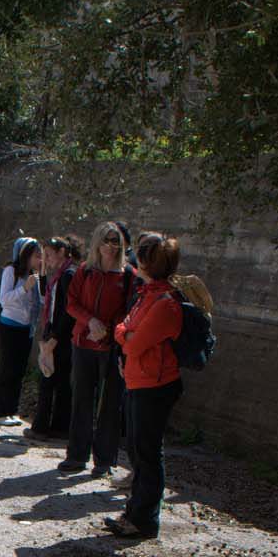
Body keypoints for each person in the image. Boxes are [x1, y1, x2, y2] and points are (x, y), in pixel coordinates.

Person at [107, 233, 194, 538]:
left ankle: (143, 520)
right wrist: (126, 334)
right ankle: (135, 512)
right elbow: (123, 329)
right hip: (138, 381)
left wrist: (126, 334)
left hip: (154, 386)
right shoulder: (148, 295)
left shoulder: (165, 303)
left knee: (146, 453)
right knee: (136, 449)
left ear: (145, 263)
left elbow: (132, 342)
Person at [60, 221, 133, 478]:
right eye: (107, 240)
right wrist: (89, 321)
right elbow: (71, 302)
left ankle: (104, 460)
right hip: (83, 341)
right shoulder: (85, 271)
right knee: (81, 399)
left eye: (116, 242)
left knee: (110, 403)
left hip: (111, 346)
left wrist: (108, 328)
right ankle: (77, 455)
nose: (111, 246)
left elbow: (129, 310)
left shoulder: (128, 275)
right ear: (98, 243)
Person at [27, 235, 79, 441]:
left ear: (61, 253)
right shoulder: (58, 275)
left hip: (60, 337)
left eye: (49, 255)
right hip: (55, 333)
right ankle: (58, 426)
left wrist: (54, 338)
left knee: (49, 381)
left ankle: (42, 427)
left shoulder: (68, 275)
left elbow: (67, 311)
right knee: (57, 381)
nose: (46, 260)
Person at [0, 237, 43, 425]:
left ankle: (11, 410)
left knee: (19, 371)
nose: (39, 259)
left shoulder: (35, 275)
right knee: (8, 369)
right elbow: (4, 300)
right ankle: (1, 412)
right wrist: (24, 288)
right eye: (35, 255)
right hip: (9, 326)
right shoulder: (11, 271)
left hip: (26, 327)